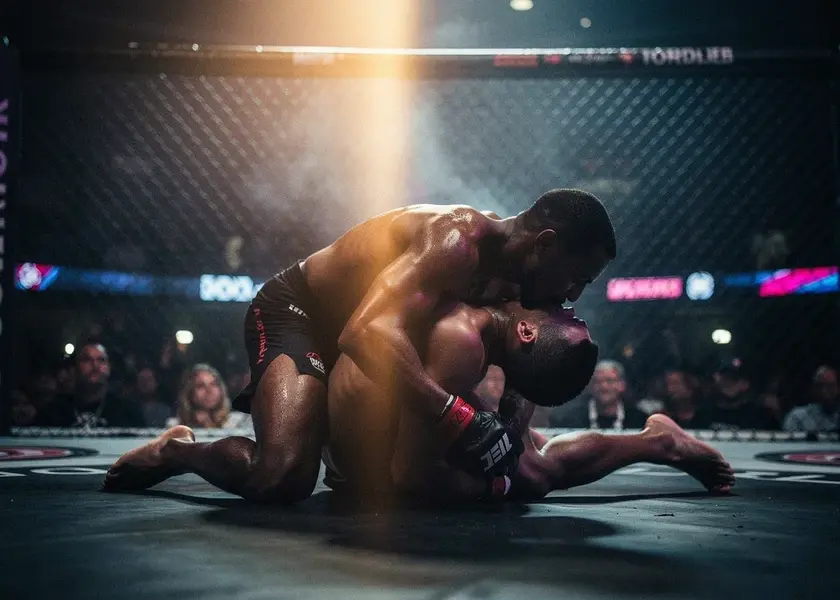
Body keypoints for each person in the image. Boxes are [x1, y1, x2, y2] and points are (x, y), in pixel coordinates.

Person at [104, 189, 616, 502]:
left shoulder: (520, 285)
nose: (572, 294)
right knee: (281, 477)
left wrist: (508, 422)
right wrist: (458, 417)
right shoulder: (456, 241)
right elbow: (363, 331)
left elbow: (524, 363)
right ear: (544, 244)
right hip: (305, 314)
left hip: (371, 354)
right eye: (578, 278)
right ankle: (177, 450)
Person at [324, 303, 734, 502]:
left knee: (527, 460)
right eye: (571, 318)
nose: (573, 303)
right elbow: (412, 476)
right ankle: (657, 442)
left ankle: (658, 442)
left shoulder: (512, 317)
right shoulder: (464, 330)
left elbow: (528, 373)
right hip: (372, 403)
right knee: (531, 472)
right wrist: (497, 483)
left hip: (384, 408)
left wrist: (508, 438)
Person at [547, 360, 647, 430]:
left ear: (622, 385)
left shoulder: (639, 419)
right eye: (597, 382)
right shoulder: (570, 419)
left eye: (610, 381)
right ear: (590, 387)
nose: (604, 387)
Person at [166, 364, 252, 430]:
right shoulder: (175, 427)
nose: (209, 391)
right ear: (189, 393)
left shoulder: (238, 422)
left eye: (214, 384)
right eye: (200, 386)